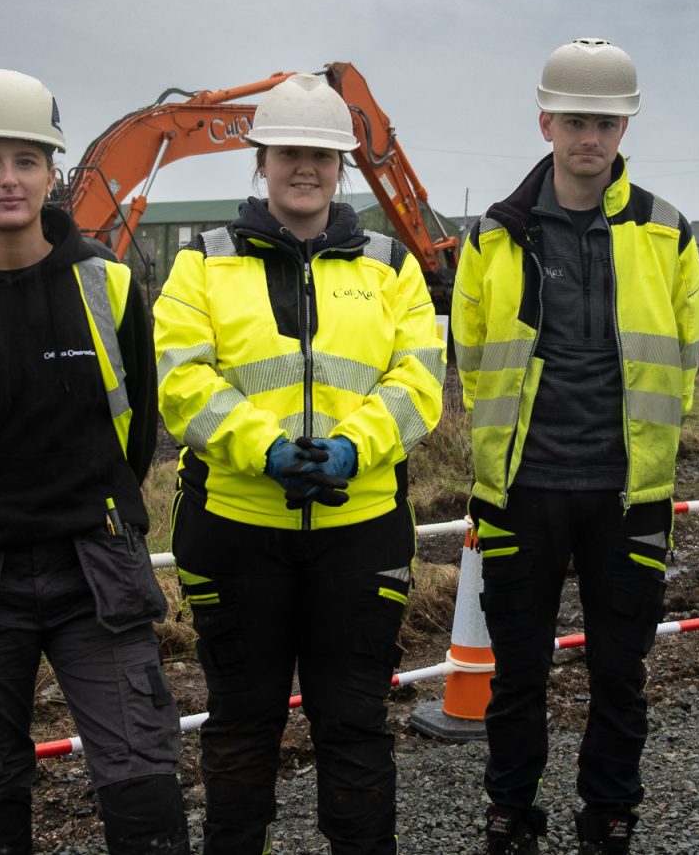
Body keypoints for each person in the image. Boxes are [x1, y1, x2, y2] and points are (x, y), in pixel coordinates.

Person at [0, 68, 188, 854]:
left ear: (54, 172)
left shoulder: (112, 290)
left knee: (143, 775)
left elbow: (136, 430)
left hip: (96, 570)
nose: (8, 179)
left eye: (25, 160)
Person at [153, 72, 445, 855]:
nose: (304, 168)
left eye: (321, 154)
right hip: (238, 529)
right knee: (244, 726)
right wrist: (265, 449)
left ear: (343, 165)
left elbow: (419, 382)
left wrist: (355, 447)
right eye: (289, 152)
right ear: (261, 160)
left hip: (359, 532)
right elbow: (183, 382)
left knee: (353, 725)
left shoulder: (392, 266)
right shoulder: (201, 265)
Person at [452, 38, 699, 855]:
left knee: (619, 672)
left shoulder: (668, 233)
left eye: (603, 122)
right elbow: (472, 350)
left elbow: (687, 354)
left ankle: (609, 814)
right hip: (521, 490)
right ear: (546, 123)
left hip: (629, 492)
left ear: (623, 128)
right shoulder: (497, 235)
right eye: (574, 121)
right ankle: (509, 813)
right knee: (517, 674)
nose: (588, 137)